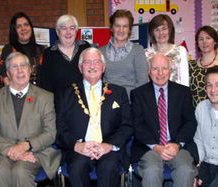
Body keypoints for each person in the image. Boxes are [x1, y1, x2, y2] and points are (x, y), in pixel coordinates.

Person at [56, 47, 133, 187]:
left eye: (96, 62)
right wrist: (76, 145)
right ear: (80, 68)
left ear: (103, 67)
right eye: (87, 62)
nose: (92, 66)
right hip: (80, 148)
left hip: (108, 147)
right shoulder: (65, 94)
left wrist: (109, 145)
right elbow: (60, 128)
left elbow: (127, 125)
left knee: (109, 167)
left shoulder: (119, 92)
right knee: (77, 167)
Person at [0, 52, 61, 187]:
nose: (20, 70)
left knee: (21, 170)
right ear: (8, 73)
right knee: (0, 171)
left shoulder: (45, 97)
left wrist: (26, 146)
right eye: (14, 67)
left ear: (30, 70)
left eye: (23, 65)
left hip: (36, 151)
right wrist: (12, 150)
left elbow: (50, 133)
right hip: (3, 152)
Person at [131, 54, 198, 187]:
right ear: (149, 72)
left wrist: (176, 144)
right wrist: (156, 147)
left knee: (185, 170)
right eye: (155, 69)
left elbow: (190, 122)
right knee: (152, 171)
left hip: (178, 148)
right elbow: (137, 126)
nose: (160, 73)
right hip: (148, 148)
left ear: (170, 71)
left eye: (164, 68)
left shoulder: (183, 92)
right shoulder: (138, 94)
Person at [39, 14, 90, 99]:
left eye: (72, 28)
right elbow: (45, 85)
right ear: (58, 32)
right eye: (64, 28)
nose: (68, 32)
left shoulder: (85, 48)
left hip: (85, 103)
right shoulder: (49, 53)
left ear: (76, 31)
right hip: (59, 106)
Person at [100, 9, 148, 97]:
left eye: (125, 26)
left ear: (130, 29)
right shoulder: (100, 52)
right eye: (117, 26)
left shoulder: (138, 50)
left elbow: (142, 82)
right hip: (107, 102)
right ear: (111, 28)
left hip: (131, 103)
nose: (121, 30)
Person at [0, 12, 45, 86]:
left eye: (26, 25)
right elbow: (5, 77)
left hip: (39, 93)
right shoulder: (8, 50)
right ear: (14, 31)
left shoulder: (41, 50)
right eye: (18, 26)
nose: (23, 28)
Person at [145, 14, 189, 87]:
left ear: (170, 30)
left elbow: (185, 80)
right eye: (157, 29)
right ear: (152, 33)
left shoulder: (180, 51)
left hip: (176, 95)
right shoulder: (145, 54)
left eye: (164, 28)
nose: (161, 33)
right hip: (151, 96)